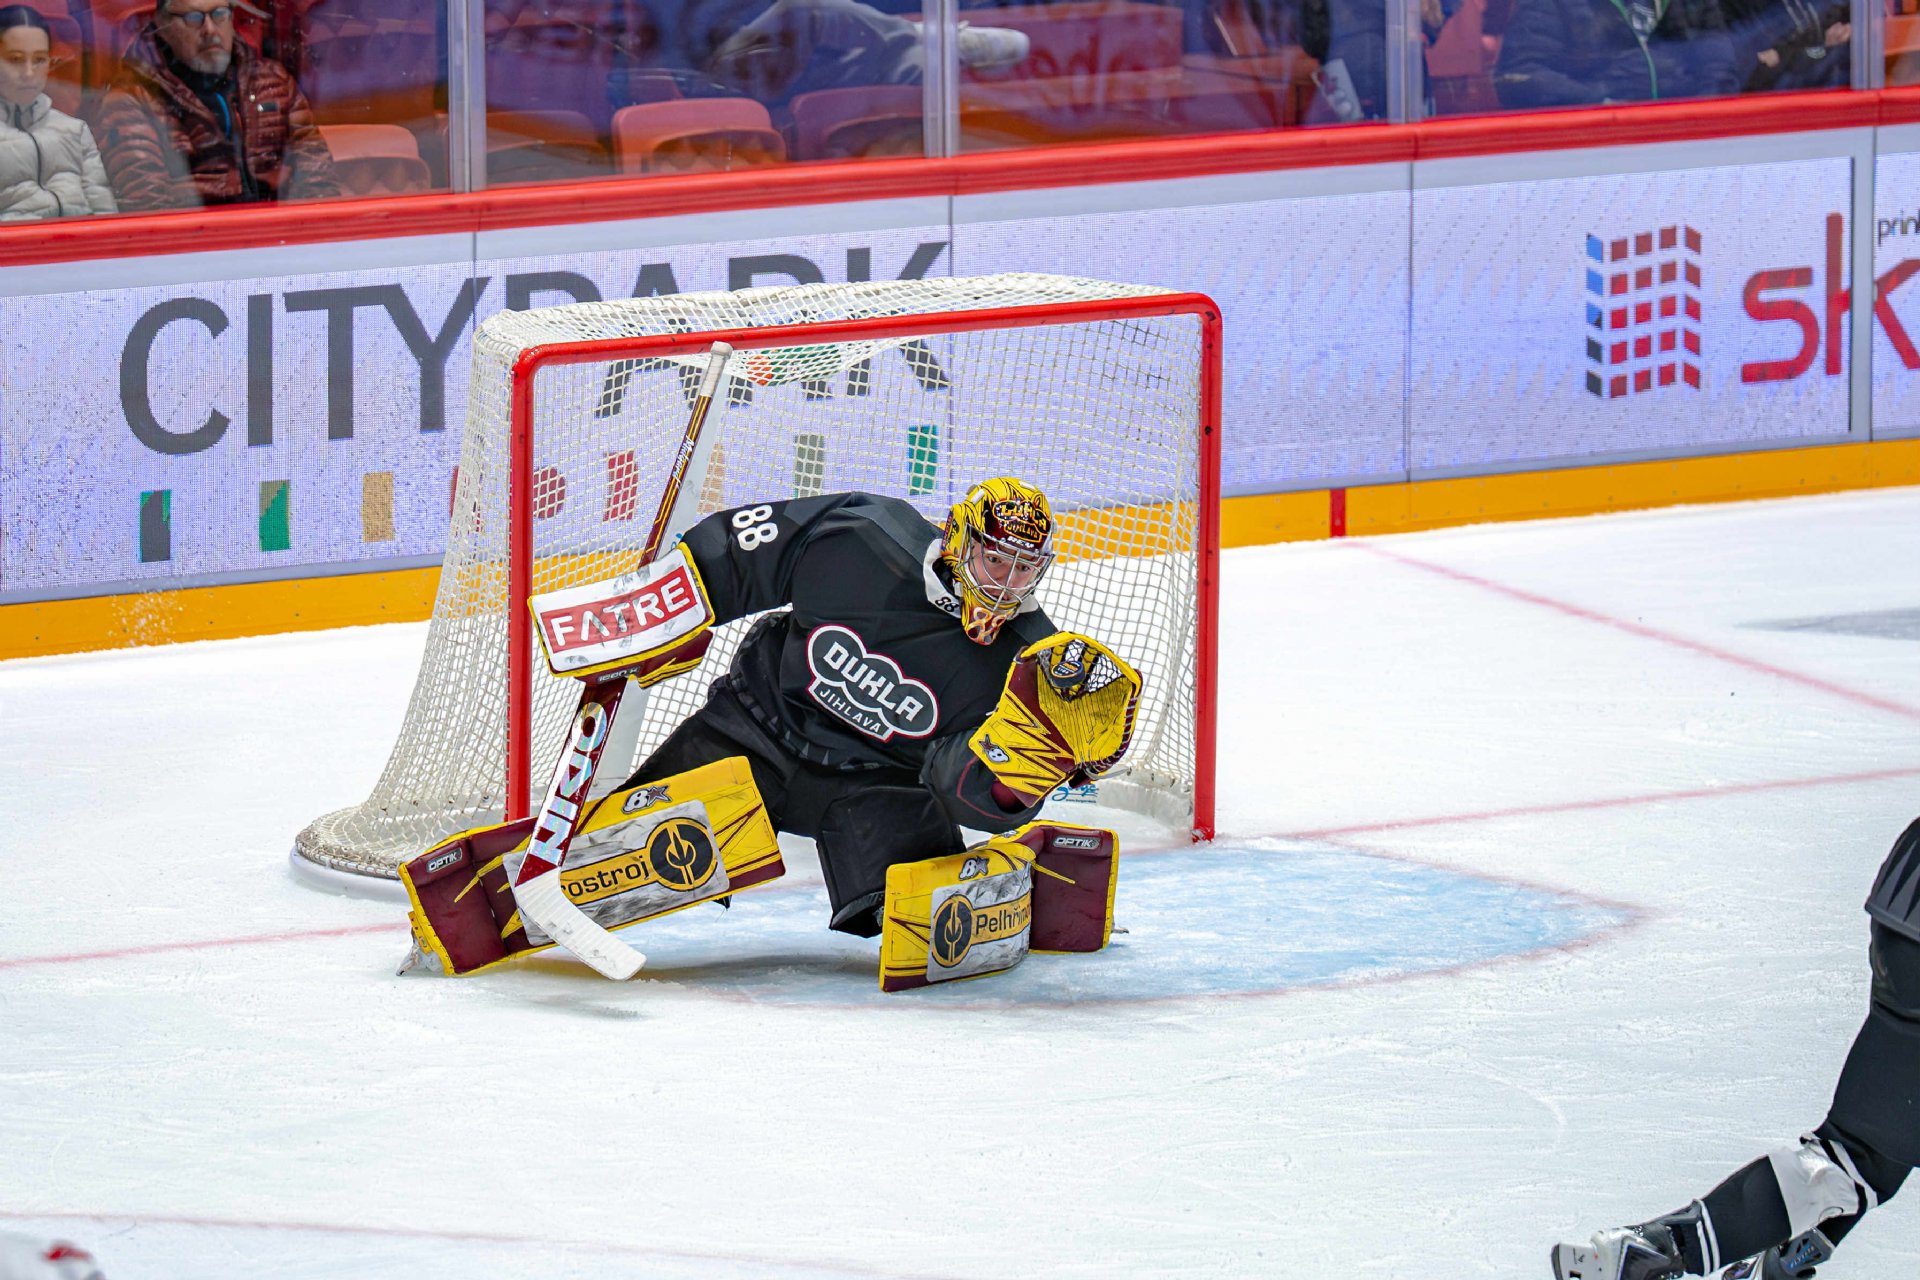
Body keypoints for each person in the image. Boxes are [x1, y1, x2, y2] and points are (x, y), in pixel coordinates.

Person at [614, 477, 1136, 937]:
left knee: (922, 914)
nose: (1006, 582)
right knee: (625, 848)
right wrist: (670, 607)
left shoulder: (1032, 664)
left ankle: (988, 890)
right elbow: (746, 548)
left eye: (1024, 568)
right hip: (755, 731)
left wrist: (1017, 780)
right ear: (959, 538)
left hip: (879, 786)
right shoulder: (863, 533)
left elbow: (960, 783)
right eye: (995, 559)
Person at [1551, 818, 1920, 1279]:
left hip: (1905, 905)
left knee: (1869, 1157)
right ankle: (1657, 1249)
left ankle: (1765, 1266)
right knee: (1860, 1159)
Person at [95, 0, 340, 211]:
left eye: (220, 14)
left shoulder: (274, 82)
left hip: (278, 235)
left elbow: (318, 180)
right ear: (163, 27)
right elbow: (147, 207)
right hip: (197, 242)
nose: (210, 30)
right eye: (193, 18)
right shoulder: (132, 100)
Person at [1493, 0, 1738, 108]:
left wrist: (1697, 119)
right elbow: (1522, 76)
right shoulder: (1551, 4)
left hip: (1684, 142)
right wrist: (1601, 101)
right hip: (1599, 148)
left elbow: (1719, 67)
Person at [0, 5, 114, 220]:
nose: (29, 73)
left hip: (83, 239)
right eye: (15, 59)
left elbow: (104, 213)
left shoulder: (75, 130)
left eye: (39, 59)